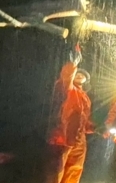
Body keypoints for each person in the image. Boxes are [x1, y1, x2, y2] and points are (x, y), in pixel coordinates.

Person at [48, 43, 95, 183]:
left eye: (83, 75)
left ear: (86, 80)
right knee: (56, 171)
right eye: (78, 73)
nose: (80, 75)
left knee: (75, 170)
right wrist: (73, 64)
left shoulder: (85, 98)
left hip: (79, 140)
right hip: (63, 135)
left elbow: (84, 120)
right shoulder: (67, 87)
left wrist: (94, 127)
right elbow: (66, 77)